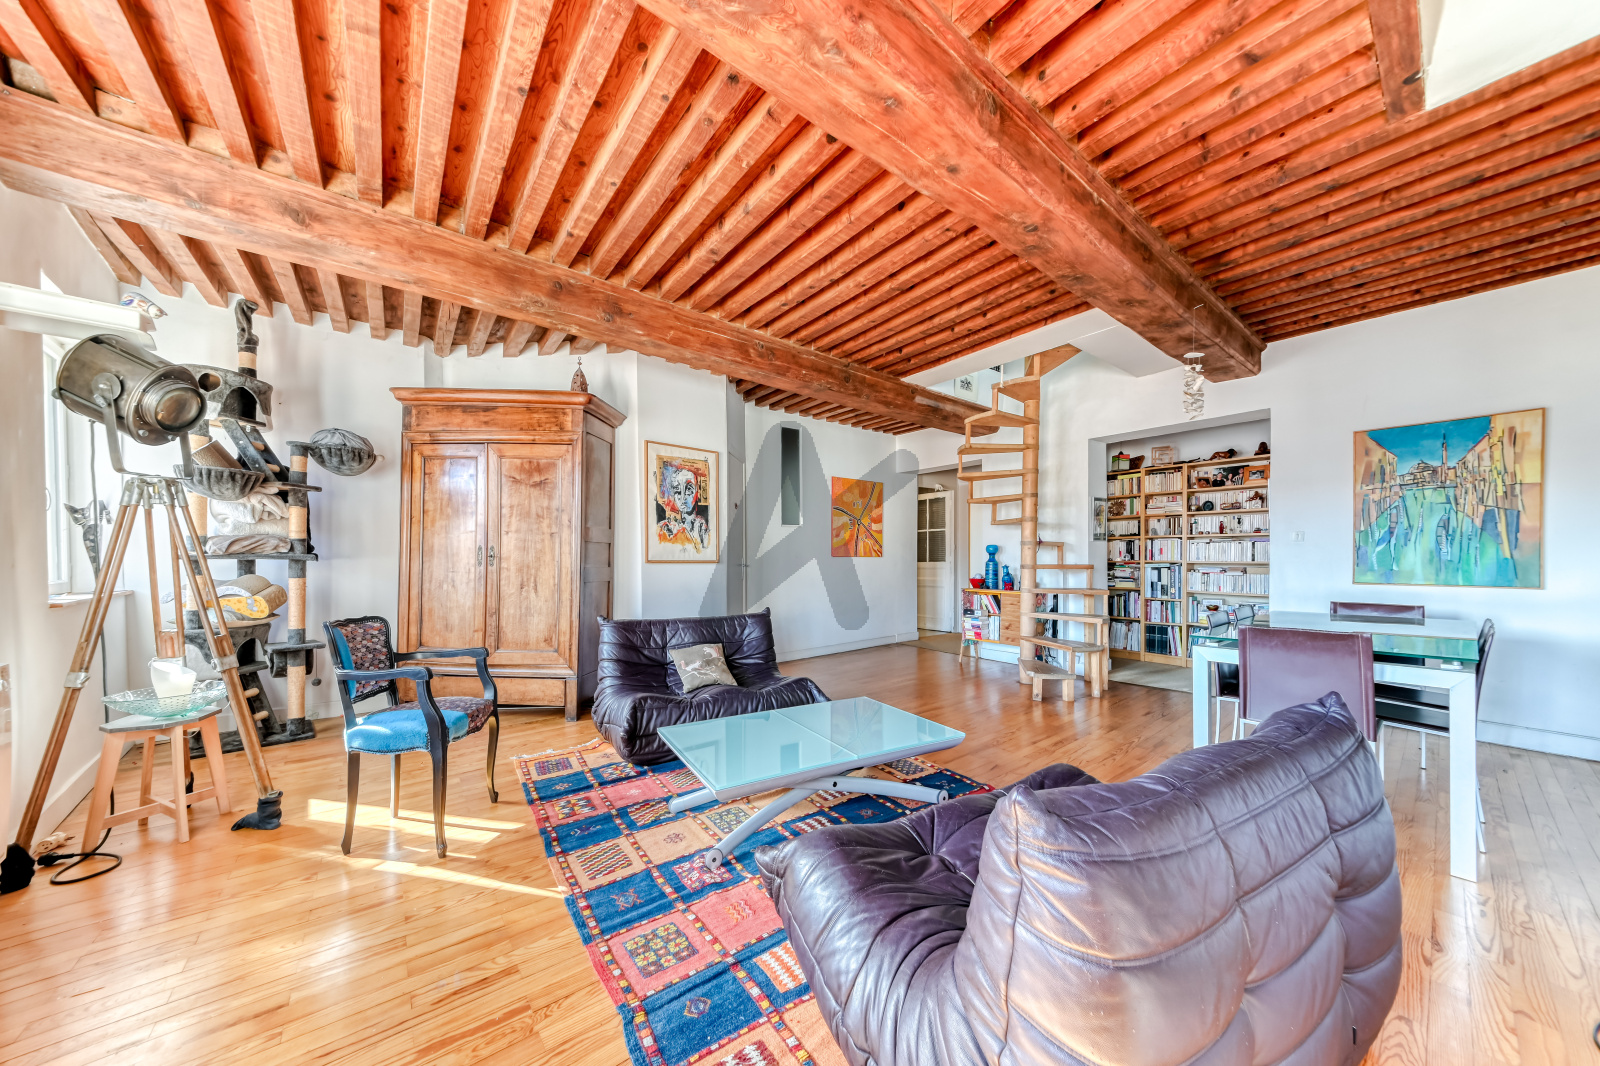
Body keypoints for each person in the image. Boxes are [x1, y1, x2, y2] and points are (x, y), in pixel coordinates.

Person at [657, 464, 710, 550]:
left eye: (689, 489)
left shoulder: (702, 526)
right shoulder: (667, 528)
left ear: (697, 491)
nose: (683, 497)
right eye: (677, 490)